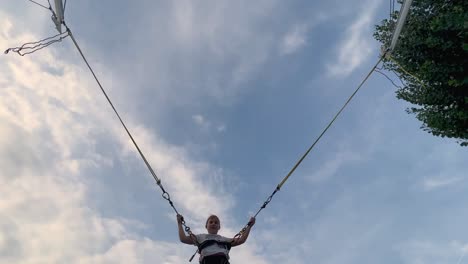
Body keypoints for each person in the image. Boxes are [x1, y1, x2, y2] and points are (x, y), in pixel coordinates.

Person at [177, 214, 256, 264]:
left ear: (219, 227)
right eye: (211, 222)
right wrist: (179, 223)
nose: (213, 224)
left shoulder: (224, 239)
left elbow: (241, 240)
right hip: (207, 260)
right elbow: (183, 239)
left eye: (216, 222)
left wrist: (249, 226)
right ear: (206, 226)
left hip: (223, 261)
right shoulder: (200, 237)